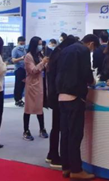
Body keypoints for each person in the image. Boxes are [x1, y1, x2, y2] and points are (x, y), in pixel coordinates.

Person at [56, 34, 99, 179]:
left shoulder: (65, 50)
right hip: (75, 96)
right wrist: (92, 81)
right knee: (75, 135)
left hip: (61, 95)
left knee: (65, 134)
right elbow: (86, 73)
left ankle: (66, 167)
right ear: (91, 44)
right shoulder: (83, 50)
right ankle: (76, 169)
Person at [46, 35, 77, 169]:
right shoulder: (62, 55)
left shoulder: (56, 53)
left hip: (54, 93)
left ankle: (51, 153)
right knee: (59, 126)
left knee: (55, 126)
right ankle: (54, 156)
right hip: (59, 94)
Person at [23, 36, 49, 141]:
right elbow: (33, 70)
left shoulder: (39, 55)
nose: (41, 46)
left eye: (41, 44)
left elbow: (44, 68)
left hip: (40, 85)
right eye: (39, 44)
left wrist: (46, 63)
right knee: (28, 108)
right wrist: (43, 62)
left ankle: (42, 128)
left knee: (39, 108)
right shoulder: (28, 56)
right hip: (32, 85)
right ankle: (26, 130)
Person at [11, 36, 27, 107]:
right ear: (18, 42)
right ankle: (17, 100)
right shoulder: (15, 50)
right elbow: (13, 60)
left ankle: (20, 99)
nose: (22, 44)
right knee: (18, 85)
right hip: (18, 69)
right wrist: (21, 58)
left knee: (22, 85)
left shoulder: (24, 49)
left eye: (23, 43)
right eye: (21, 43)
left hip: (24, 69)